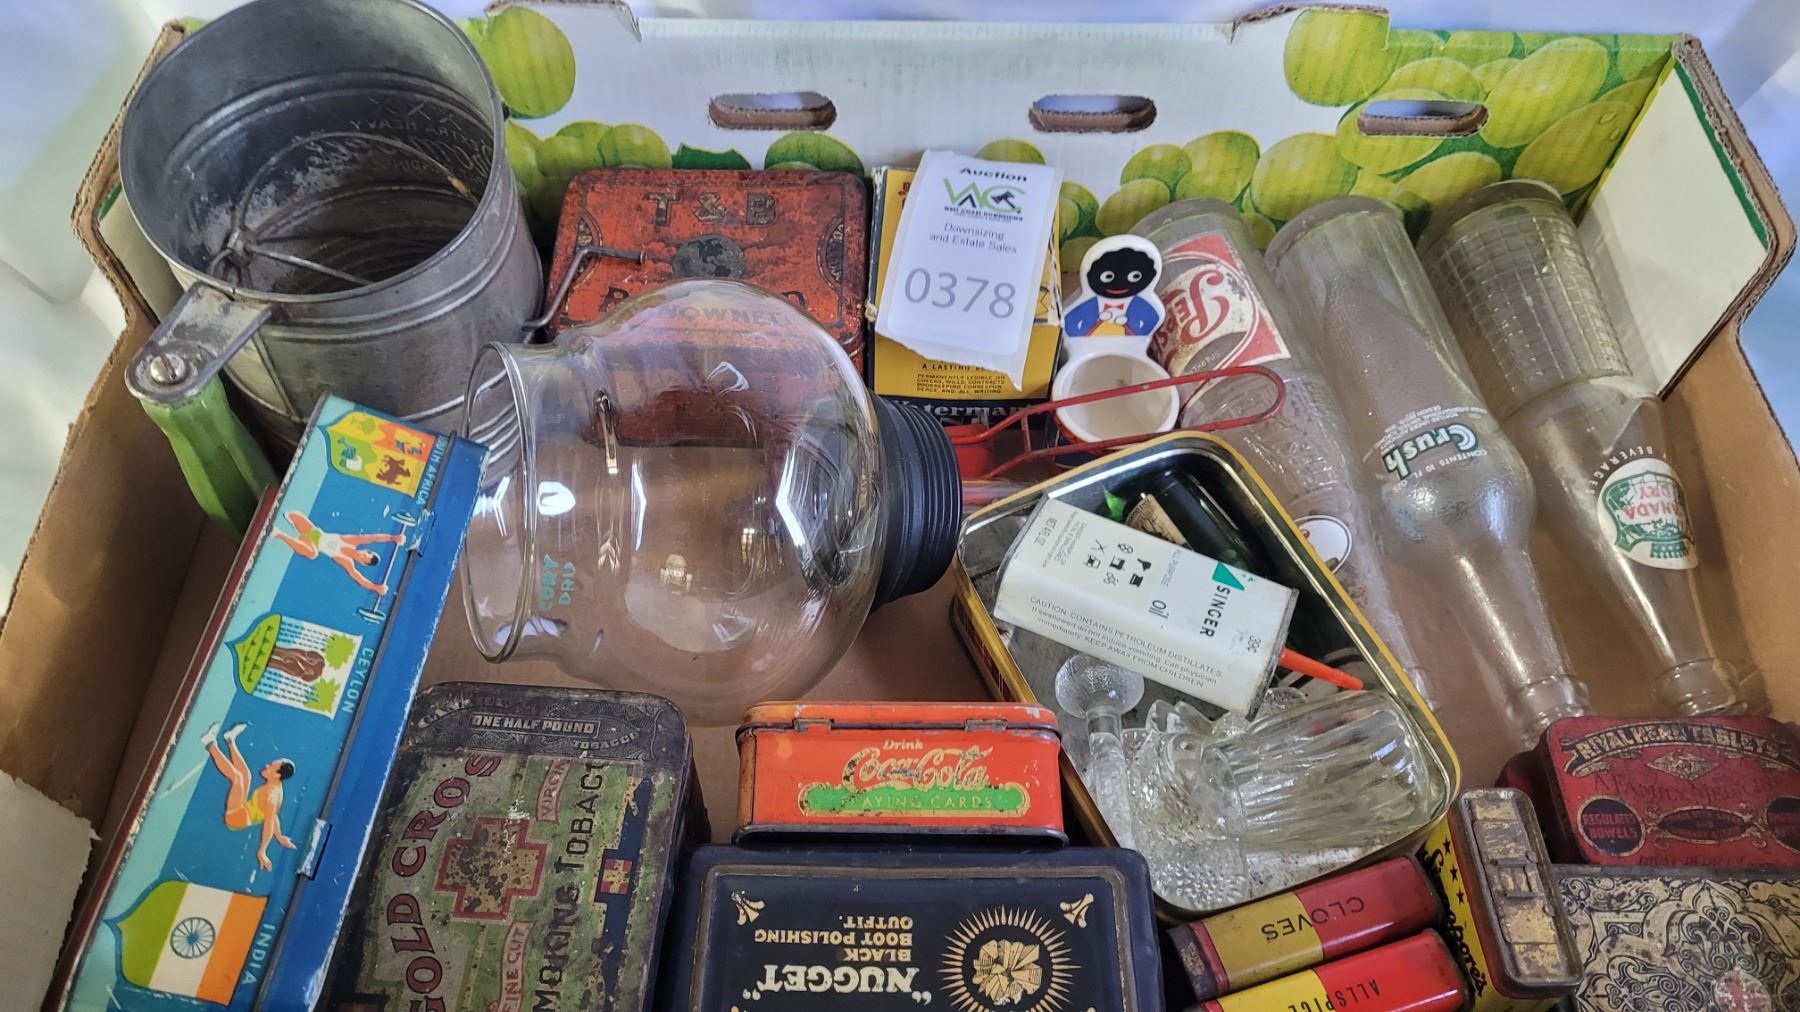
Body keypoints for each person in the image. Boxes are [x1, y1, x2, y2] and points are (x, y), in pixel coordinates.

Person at [201, 722, 296, 871]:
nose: (267, 766)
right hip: (243, 808)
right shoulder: (275, 787)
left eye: (271, 766)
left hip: (235, 818)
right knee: (246, 775)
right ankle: (230, 740)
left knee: (237, 778)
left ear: (277, 775)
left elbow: (269, 822)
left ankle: (210, 744)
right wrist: (279, 836)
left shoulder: (272, 795)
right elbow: (273, 816)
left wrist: (262, 851)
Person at [271, 510, 404, 595]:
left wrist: (376, 587)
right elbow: (373, 537)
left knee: (312, 554)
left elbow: (360, 579)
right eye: (365, 554)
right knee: (289, 514)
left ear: (362, 563)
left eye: (363, 560)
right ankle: (286, 527)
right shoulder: (352, 541)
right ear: (366, 550)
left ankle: (279, 534)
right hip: (309, 529)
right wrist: (394, 538)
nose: (361, 556)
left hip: (308, 545)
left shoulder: (347, 562)